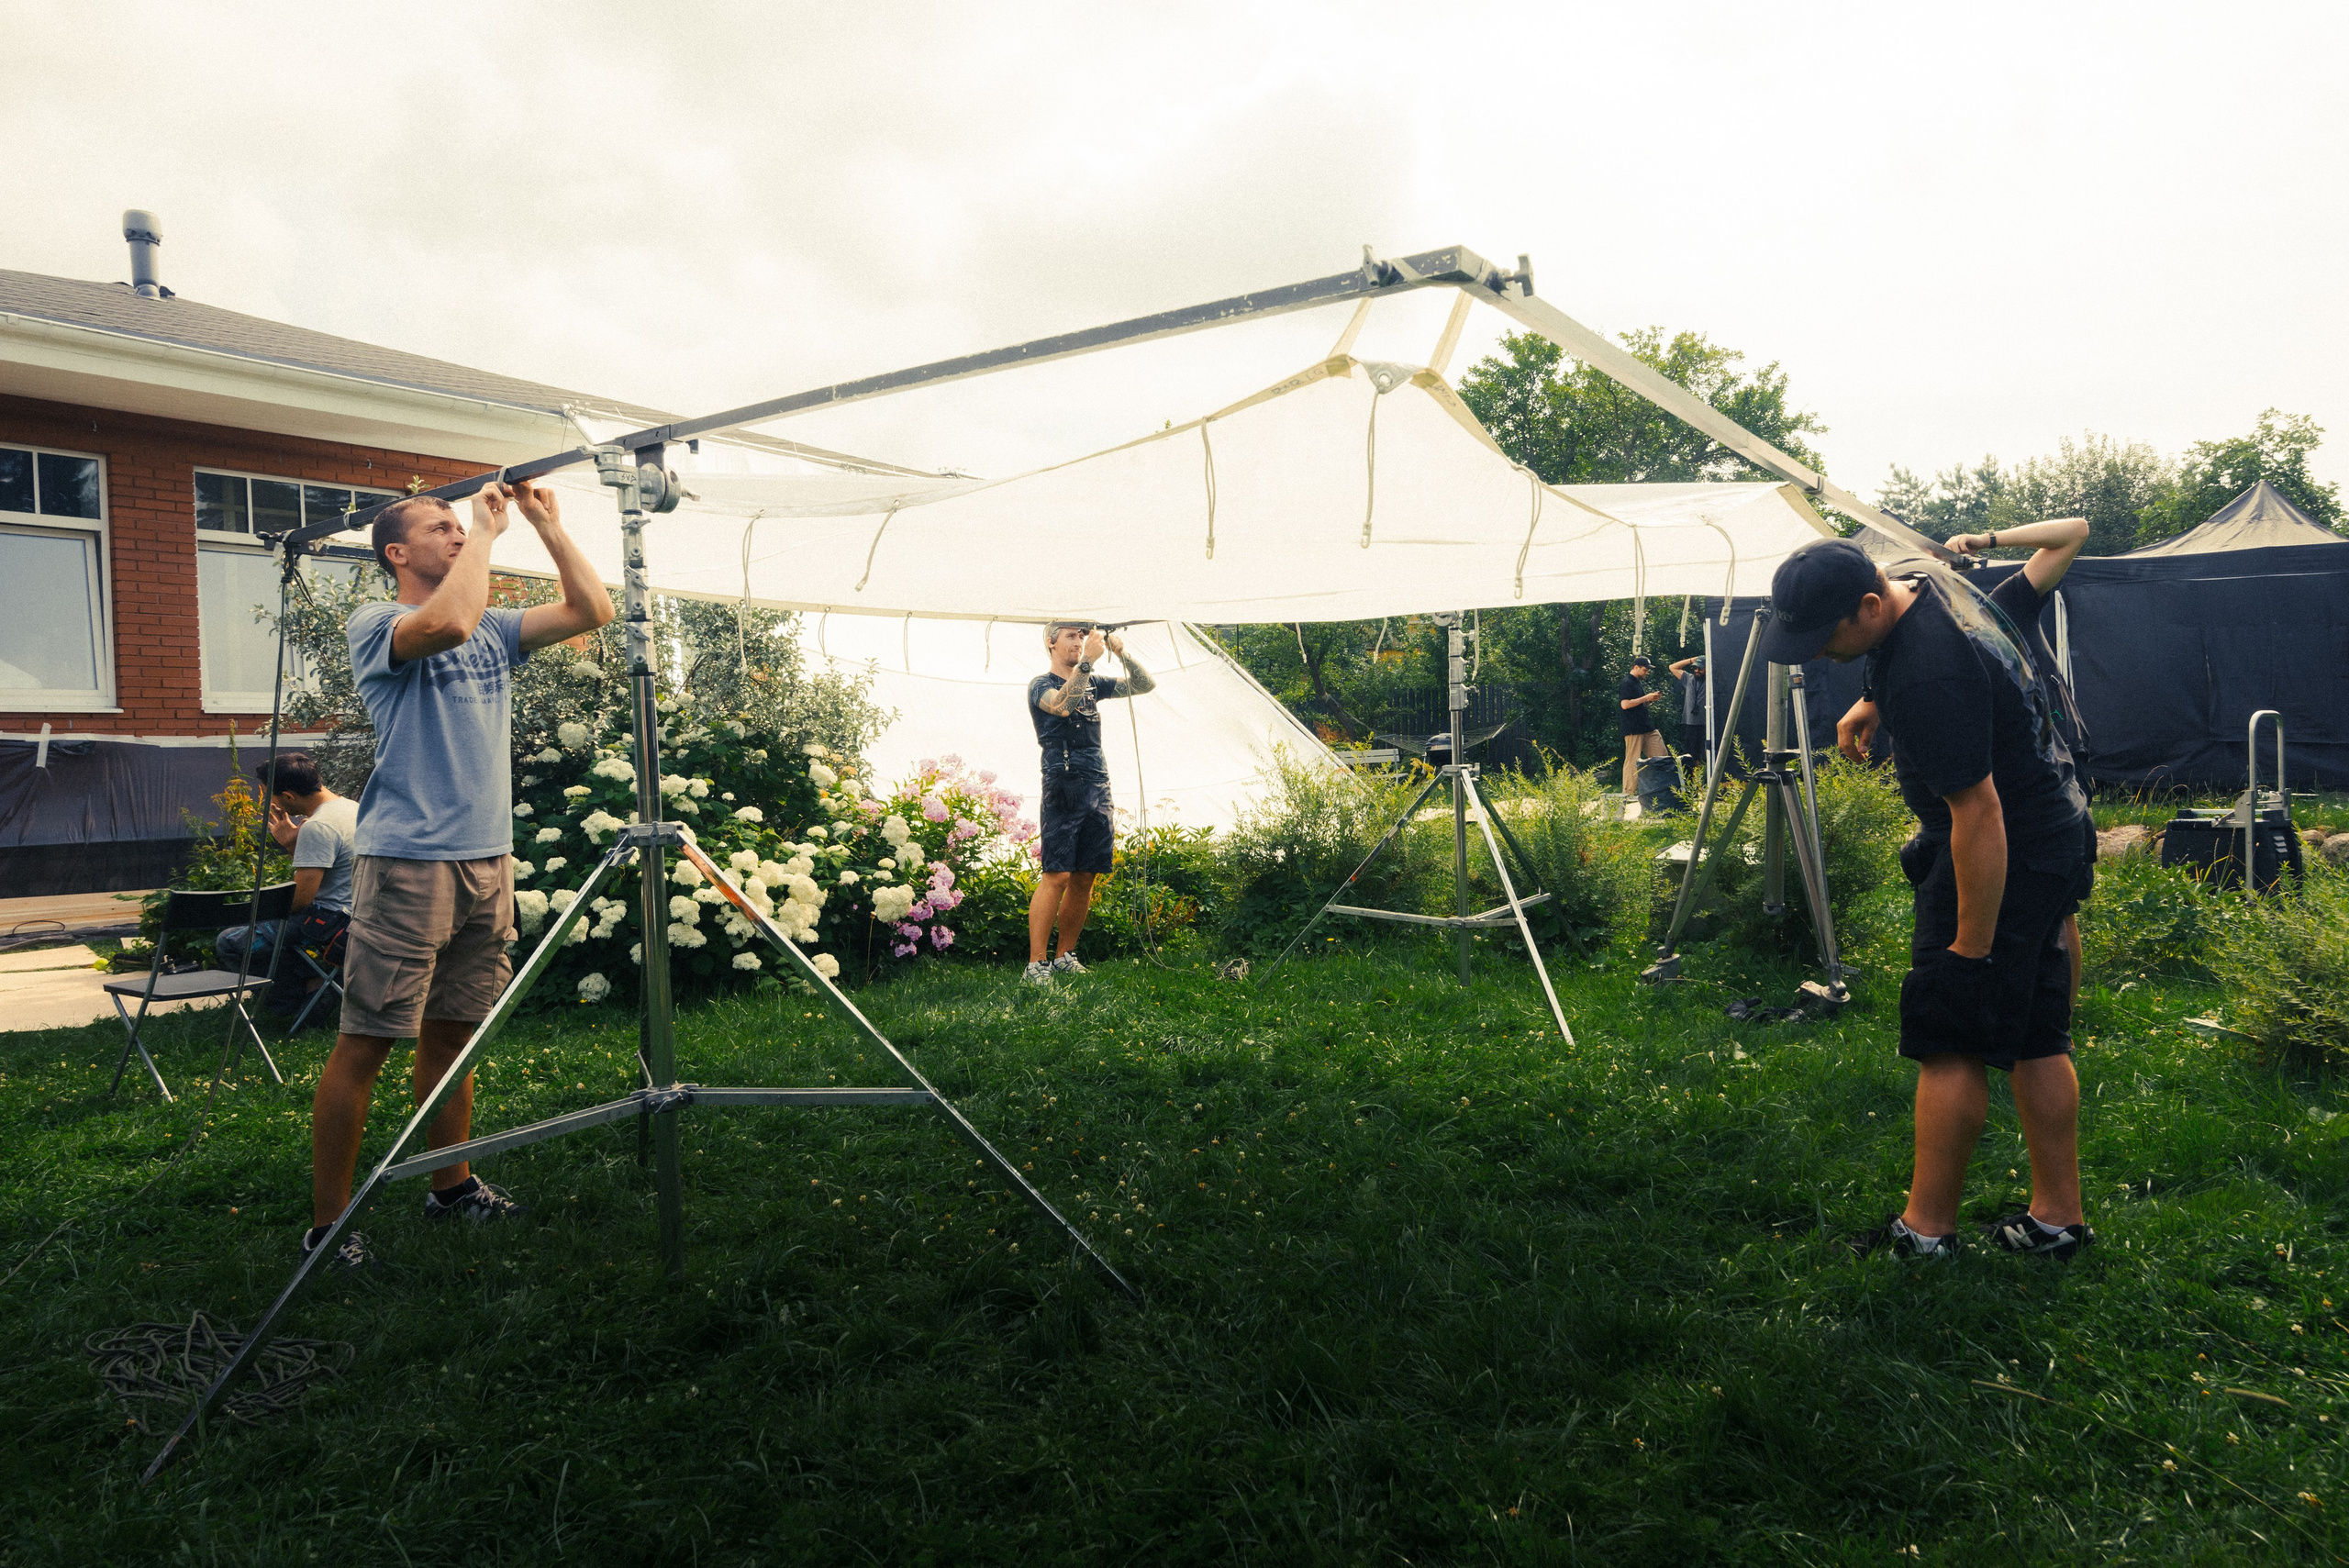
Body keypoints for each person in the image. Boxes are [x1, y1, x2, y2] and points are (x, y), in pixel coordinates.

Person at [1762, 522, 2096, 1264]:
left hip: (1999, 850)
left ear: (1871, 603)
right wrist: (1870, 702)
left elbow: (1979, 813)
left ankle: (1925, 1233)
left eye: (1826, 635)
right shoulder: (1941, 588)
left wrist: (1968, 949)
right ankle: (2057, 1221)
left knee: (1949, 1033)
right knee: (2041, 1034)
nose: (1819, 652)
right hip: (2055, 830)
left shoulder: (1928, 674)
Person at [303, 480, 613, 1269]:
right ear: (395, 554)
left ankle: (453, 1185)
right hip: (408, 862)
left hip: (487, 858)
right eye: (438, 527)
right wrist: (481, 528)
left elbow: (591, 611)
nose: (457, 534)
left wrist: (546, 526)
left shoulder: (496, 628)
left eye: (459, 526)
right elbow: (446, 621)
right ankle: (328, 1227)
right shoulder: (378, 624)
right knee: (368, 1042)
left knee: (453, 1034)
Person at [1023, 620, 1156, 984]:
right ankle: (1036, 964)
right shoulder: (1041, 685)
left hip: (1098, 782)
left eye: (1083, 636)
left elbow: (1145, 685)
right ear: (1051, 643)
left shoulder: (1094, 683)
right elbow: (1062, 707)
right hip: (1062, 782)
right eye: (1071, 636)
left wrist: (1121, 653)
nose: (1079, 642)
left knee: (1085, 875)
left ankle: (1065, 955)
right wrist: (1088, 664)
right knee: (1058, 874)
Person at [215, 751, 358, 1021]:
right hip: (358, 913)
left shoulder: (318, 827)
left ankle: (297, 1004)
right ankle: (316, 984)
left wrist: (258, 909)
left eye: (271, 795)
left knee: (231, 941)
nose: (270, 801)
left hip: (330, 920)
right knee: (263, 931)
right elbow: (333, 875)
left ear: (289, 797)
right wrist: (293, 844)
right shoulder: (351, 808)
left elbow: (302, 899)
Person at [1618, 655, 1667, 801]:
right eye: (1645, 670)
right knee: (1632, 760)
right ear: (1636, 667)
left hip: (1647, 727)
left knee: (1662, 756)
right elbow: (1625, 705)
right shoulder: (1627, 682)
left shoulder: (1637, 683)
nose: (1647, 673)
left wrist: (1650, 701)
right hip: (1633, 728)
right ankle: (1628, 793)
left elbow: (1637, 704)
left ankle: (1663, 789)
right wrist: (1646, 698)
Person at [1669, 654, 1707, 770]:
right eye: (1695, 668)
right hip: (1690, 722)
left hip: (1705, 723)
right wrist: (1691, 660)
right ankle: (1694, 780)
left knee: (1705, 753)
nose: (1697, 671)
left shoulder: (1711, 681)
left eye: (1700, 668)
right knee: (1691, 754)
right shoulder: (1688, 678)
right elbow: (1672, 667)